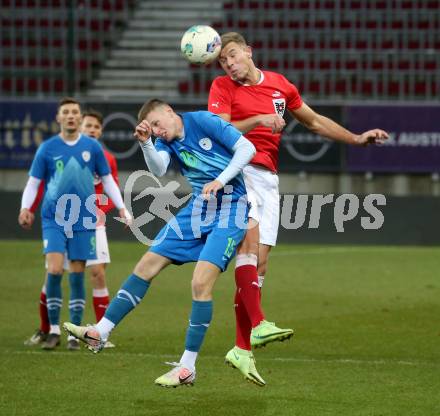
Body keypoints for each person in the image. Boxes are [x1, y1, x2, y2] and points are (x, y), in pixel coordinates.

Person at [208, 32, 389, 370]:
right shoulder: (222, 87)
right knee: (247, 247)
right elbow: (218, 129)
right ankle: (259, 324)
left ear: (248, 51)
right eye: (223, 60)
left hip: (267, 177)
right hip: (237, 172)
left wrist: (355, 138)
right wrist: (258, 121)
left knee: (259, 265)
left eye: (232, 55)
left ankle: (241, 348)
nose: (229, 64)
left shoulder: (280, 85)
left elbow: (315, 121)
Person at [64, 99, 264, 387]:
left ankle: (187, 367)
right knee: (147, 264)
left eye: (157, 124)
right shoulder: (164, 141)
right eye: (152, 129)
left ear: (170, 112)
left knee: (199, 283)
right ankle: (101, 331)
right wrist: (146, 143)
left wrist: (220, 180)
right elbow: (158, 170)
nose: (157, 131)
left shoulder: (202, 120)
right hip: (198, 208)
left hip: (232, 207)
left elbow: (248, 149)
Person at [18, 97, 131, 351]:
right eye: (66, 112)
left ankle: (73, 334)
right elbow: (34, 182)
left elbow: (108, 181)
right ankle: (53, 330)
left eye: (74, 112)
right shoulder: (47, 148)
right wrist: (26, 208)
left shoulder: (93, 148)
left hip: (84, 219)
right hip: (54, 219)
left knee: (80, 274)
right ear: (58, 118)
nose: (70, 116)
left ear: (79, 118)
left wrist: (122, 207)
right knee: (55, 270)